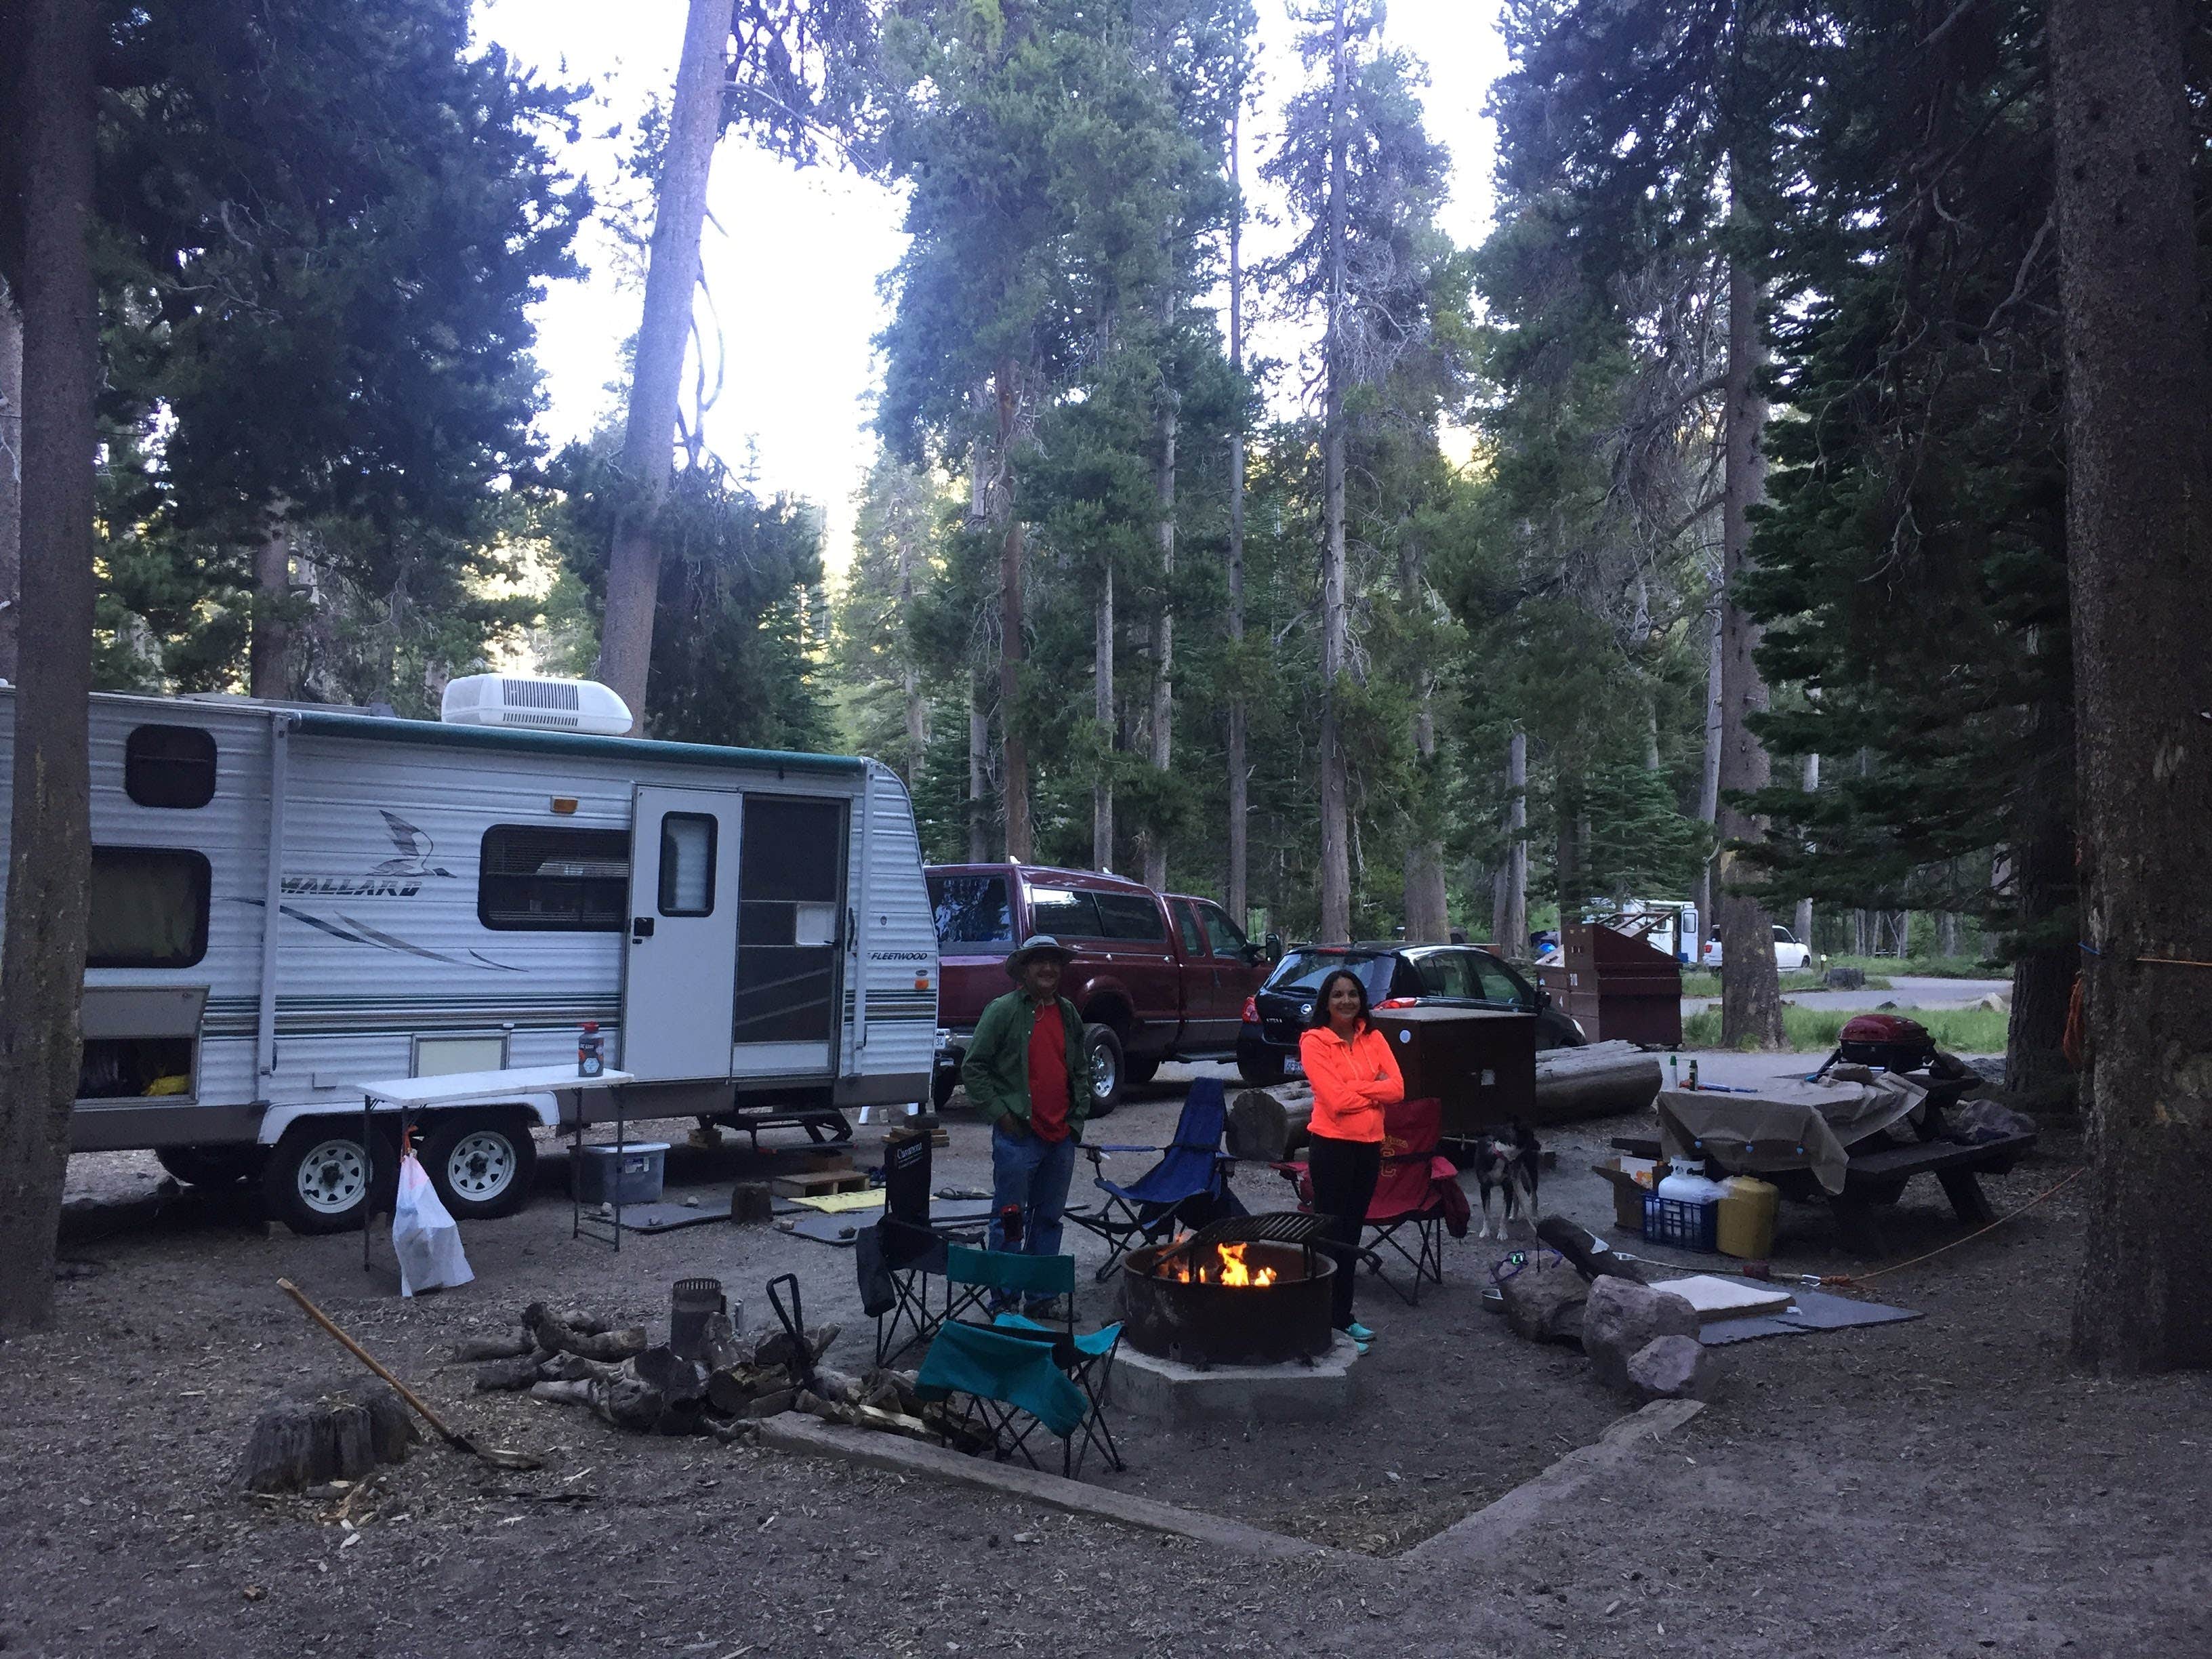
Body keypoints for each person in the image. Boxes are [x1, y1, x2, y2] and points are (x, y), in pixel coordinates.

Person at [960, 934, 1090, 1284]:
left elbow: (1080, 1069)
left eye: (1054, 962)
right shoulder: (1003, 1010)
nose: (1048, 968)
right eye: (1039, 961)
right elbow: (973, 1068)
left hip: (1060, 1138)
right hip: (1018, 1137)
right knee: (1010, 1219)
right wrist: (1001, 1115)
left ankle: (1040, 1299)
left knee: (1048, 1220)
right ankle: (1004, 1299)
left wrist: (1076, 1119)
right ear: (1024, 969)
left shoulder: (1068, 1013)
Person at [1298, 966, 1404, 1353]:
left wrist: (1356, 1088)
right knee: (1331, 1236)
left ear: (1362, 999)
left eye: (1353, 994)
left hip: (1369, 1147)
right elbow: (1335, 1102)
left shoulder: (1373, 1037)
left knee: (1353, 1234)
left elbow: (1398, 1089)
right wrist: (1373, 1089)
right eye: (1338, 995)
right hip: (1332, 1147)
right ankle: (1322, 1323)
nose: (1346, 1001)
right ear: (1326, 1002)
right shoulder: (1314, 1041)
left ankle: (1343, 1318)